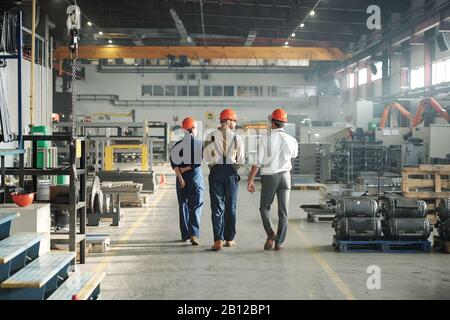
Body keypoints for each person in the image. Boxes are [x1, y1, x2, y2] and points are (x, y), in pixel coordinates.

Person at [247, 108, 298, 251]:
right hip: (286, 177)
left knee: (264, 207)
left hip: (270, 176)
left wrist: (250, 180)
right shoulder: (292, 140)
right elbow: (294, 155)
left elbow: (257, 162)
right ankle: (279, 243)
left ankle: (271, 234)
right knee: (284, 211)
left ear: (273, 123)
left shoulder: (265, 139)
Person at [204, 109, 245, 251]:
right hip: (231, 173)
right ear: (228, 121)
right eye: (234, 121)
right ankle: (229, 239)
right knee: (231, 206)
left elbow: (207, 158)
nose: (235, 123)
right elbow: (240, 159)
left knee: (217, 207)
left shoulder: (210, 136)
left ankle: (218, 240)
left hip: (215, 172)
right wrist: (232, 167)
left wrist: (214, 166)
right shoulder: (236, 138)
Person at [170, 117, 204, 245]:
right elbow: (196, 163)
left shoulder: (177, 146)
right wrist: (185, 171)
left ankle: (185, 235)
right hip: (195, 178)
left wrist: (180, 177)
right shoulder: (198, 144)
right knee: (195, 205)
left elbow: (174, 166)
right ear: (193, 129)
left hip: (181, 180)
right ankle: (194, 234)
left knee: (183, 205)